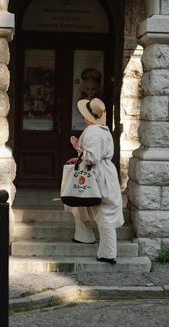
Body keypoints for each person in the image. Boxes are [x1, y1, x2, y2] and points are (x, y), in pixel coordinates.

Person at [66, 98, 124, 264]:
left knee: (103, 212)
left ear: (87, 116)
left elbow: (92, 157)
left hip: (97, 175)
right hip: (105, 173)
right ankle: (85, 236)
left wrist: (78, 148)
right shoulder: (103, 130)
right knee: (83, 205)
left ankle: (107, 253)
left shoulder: (92, 132)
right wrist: (78, 156)